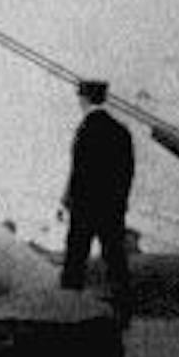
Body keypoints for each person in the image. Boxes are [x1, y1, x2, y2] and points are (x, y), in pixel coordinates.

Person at [60, 78, 136, 326]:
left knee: (75, 262)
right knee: (116, 260)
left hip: (84, 209)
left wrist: (68, 201)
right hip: (112, 209)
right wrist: (120, 202)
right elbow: (127, 172)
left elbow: (79, 172)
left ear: (83, 99)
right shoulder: (121, 131)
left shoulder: (85, 130)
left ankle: (68, 314)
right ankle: (125, 314)